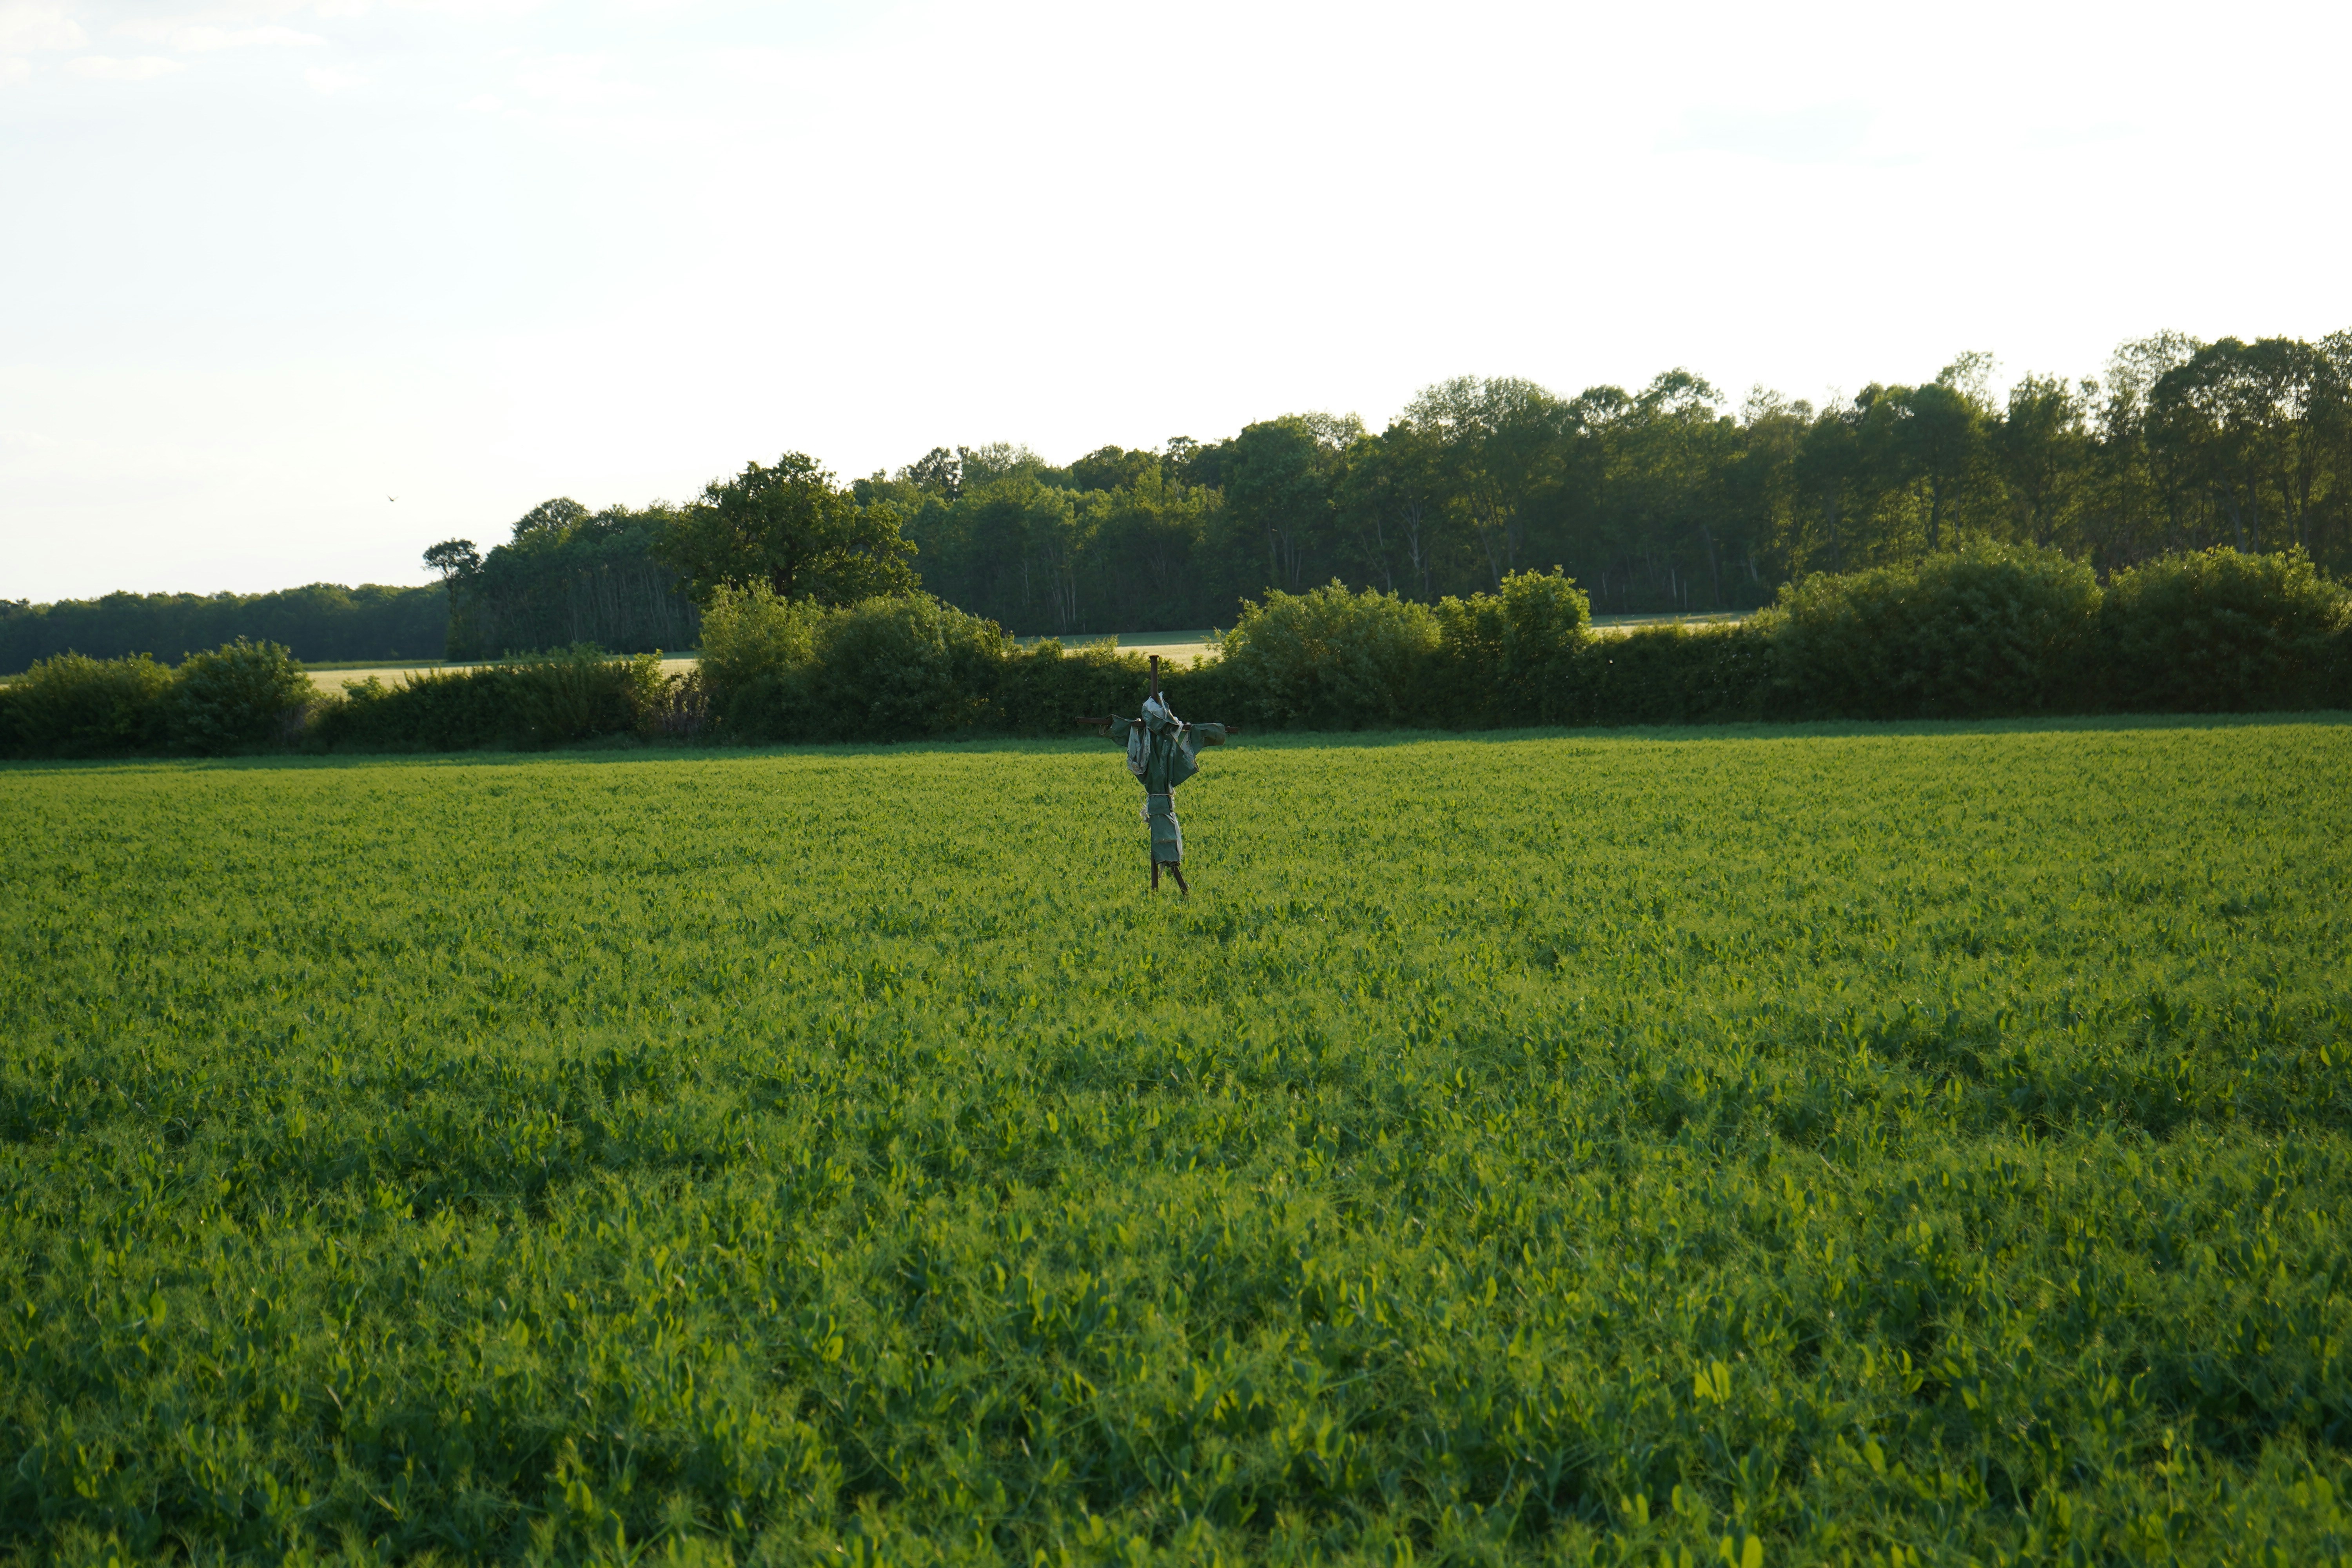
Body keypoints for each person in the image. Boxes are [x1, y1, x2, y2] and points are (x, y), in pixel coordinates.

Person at [1101, 692, 1226, 893]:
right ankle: (1180, 888)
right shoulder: (1147, 736)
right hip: (1159, 801)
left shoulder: (1168, 738)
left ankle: (1177, 886)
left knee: (1166, 839)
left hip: (1162, 801)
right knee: (1165, 839)